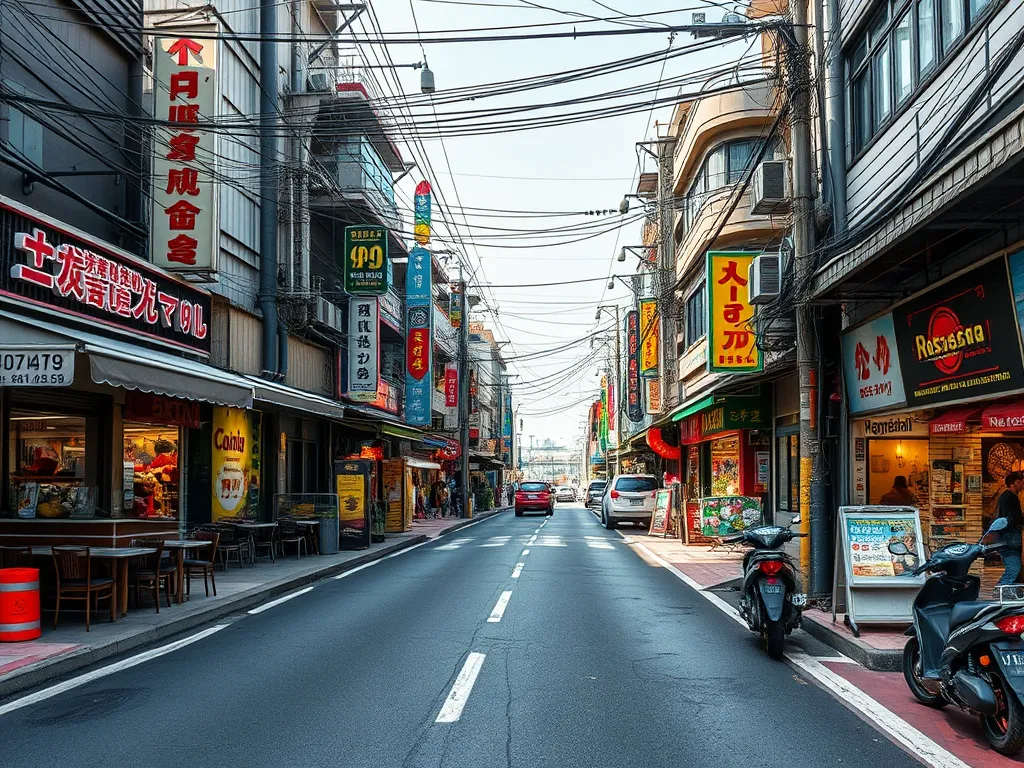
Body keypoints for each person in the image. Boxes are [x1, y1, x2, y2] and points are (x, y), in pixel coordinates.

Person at [995, 471, 1024, 587]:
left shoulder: (1005, 496)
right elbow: (1016, 519)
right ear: (1015, 483)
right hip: (1010, 540)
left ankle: (1005, 592)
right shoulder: (1011, 497)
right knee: (1013, 569)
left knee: (1013, 569)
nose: (1022, 485)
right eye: (1021, 482)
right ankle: (1000, 591)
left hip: (1006, 539)